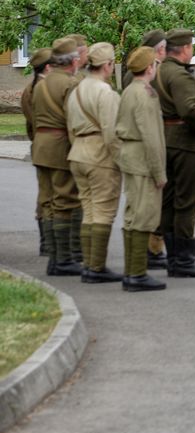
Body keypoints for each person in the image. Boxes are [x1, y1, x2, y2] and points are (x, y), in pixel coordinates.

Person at [155, 28, 195, 278]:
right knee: (188, 200)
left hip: (164, 141)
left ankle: (173, 254)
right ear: (185, 48)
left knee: (168, 201)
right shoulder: (179, 75)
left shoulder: (158, 70)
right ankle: (183, 259)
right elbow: (189, 109)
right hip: (185, 143)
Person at [66, 42, 123, 283]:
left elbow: (70, 127)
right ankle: (96, 267)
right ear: (108, 65)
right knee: (103, 211)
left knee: (89, 211)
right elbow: (111, 132)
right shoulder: (105, 93)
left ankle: (89, 264)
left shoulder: (76, 90)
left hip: (78, 152)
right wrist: (121, 160)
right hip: (100, 155)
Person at [116, 46, 168, 292]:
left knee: (133, 213)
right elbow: (151, 136)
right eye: (156, 64)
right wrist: (159, 173)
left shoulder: (129, 90)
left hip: (130, 156)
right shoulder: (145, 94)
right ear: (150, 68)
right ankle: (136, 273)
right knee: (143, 214)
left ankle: (132, 271)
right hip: (143, 160)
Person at [32, 37, 82, 276]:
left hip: (41, 146)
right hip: (60, 145)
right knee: (65, 200)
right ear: (72, 61)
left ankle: (54, 257)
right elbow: (73, 121)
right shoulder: (69, 84)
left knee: (49, 201)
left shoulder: (41, 83)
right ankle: (63, 259)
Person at [21, 47, 51, 257]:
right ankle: (49, 242)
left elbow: (30, 124)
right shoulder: (43, 89)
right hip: (49, 145)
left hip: (38, 144)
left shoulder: (29, 89)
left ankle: (47, 242)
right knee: (50, 194)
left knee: (45, 192)